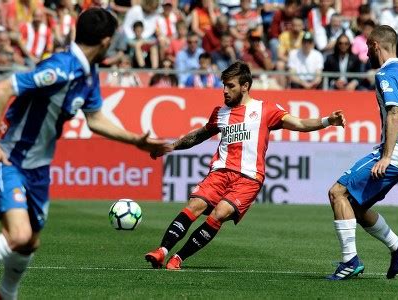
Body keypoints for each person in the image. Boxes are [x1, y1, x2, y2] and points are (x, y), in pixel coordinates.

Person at [0, 8, 170, 299]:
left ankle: (4, 295)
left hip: (38, 169)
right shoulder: (60, 68)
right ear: (106, 41)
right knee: (17, 235)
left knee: (29, 242)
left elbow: (94, 119)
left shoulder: (89, 74)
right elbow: (1, 89)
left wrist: (136, 141)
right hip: (10, 159)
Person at [145, 61, 346, 270]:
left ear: (245, 86)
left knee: (219, 214)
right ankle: (162, 251)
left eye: (230, 86)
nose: (224, 91)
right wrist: (171, 146)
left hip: (248, 178)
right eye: (224, 85)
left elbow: (301, 124)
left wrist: (327, 121)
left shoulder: (265, 109)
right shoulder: (220, 113)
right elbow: (199, 135)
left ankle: (178, 258)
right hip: (220, 172)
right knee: (194, 206)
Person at [326, 25, 398, 280]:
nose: (365, 56)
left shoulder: (385, 74)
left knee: (337, 192)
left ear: (375, 45)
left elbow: (394, 113)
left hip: (393, 154)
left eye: (367, 50)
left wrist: (386, 156)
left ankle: (349, 261)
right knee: (356, 206)